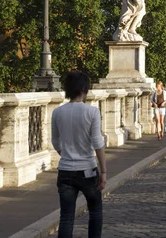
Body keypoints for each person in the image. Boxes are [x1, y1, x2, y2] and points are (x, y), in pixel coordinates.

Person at [51, 71, 106, 238]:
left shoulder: (57, 112)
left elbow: (56, 142)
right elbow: (97, 142)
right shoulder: (92, 112)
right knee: (95, 211)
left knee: (66, 217)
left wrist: (68, 154)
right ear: (85, 89)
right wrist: (103, 171)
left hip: (66, 170)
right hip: (88, 169)